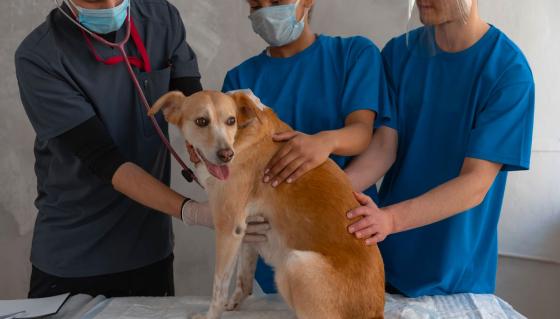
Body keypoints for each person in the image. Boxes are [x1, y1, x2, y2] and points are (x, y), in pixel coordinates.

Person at [15, 0, 266, 298]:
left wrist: (224, 144)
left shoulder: (160, 17)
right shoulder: (40, 56)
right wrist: (194, 212)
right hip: (75, 254)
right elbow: (103, 159)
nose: (110, 4)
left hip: (149, 249)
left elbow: (192, 106)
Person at [345, 0, 535, 297]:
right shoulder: (398, 54)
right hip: (387, 261)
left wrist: (391, 219)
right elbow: (383, 148)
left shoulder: (508, 72)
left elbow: (475, 183)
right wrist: (322, 195)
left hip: (456, 278)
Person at [222, 0, 395, 293]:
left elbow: (362, 133)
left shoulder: (353, 54)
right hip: (276, 249)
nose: (265, 11)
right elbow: (233, 164)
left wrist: (326, 142)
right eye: (256, 4)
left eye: (276, 2)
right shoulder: (239, 81)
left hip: (343, 232)